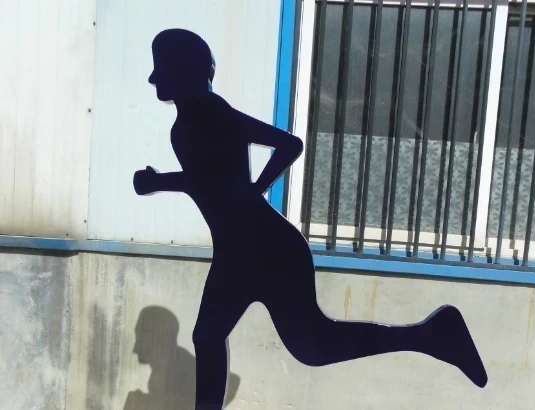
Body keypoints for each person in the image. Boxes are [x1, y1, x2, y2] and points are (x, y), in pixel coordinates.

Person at [133, 28, 487, 409]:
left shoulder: (212, 112)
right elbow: (208, 181)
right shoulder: (184, 127)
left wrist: (255, 190)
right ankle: (430, 335)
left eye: (163, 71)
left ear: (184, 72)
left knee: (312, 345)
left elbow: (289, 144)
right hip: (239, 250)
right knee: (215, 336)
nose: (157, 81)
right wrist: (160, 182)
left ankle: (431, 334)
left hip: (269, 249)